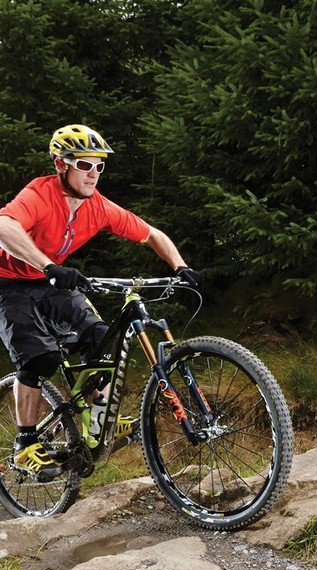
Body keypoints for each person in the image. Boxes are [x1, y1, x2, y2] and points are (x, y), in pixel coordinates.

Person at [0, 123, 199, 479]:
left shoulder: (99, 207)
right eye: (84, 165)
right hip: (8, 284)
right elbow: (4, 226)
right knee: (38, 358)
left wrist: (180, 266)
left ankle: (98, 416)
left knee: (101, 339)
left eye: (99, 166)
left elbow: (152, 233)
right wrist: (48, 265)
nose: (93, 173)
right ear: (61, 164)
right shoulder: (39, 194)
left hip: (53, 282)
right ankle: (26, 444)